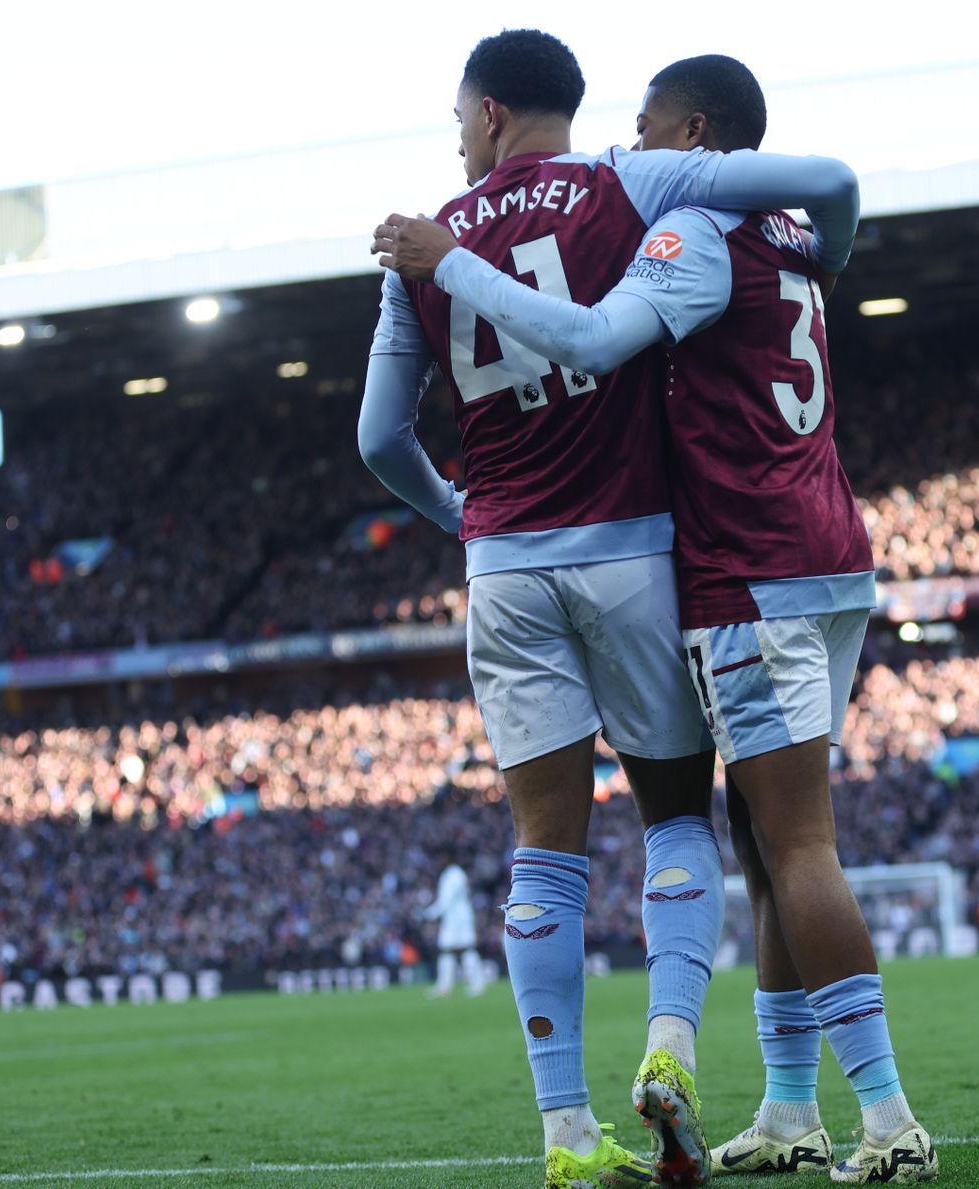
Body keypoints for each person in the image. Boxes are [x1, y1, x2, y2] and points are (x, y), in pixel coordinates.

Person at [377, 55, 938, 1185]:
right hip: (808, 555)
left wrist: (453, 267)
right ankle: (783, 1106)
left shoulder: (679, 231)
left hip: (723, 568)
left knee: (778, 843)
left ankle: (882, 1120)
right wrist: (835, 243)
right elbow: (830, 182)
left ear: (694, 139)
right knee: (741, 836)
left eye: (648, 132)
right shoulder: (784, 240)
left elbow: (533, 367)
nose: (631, 148)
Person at [424, 858, 487, 998]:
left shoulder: (452, 875)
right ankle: (448, 986)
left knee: (462, 949)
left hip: (458, 919)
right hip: (457, 918)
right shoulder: (455, 874)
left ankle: (474, 984)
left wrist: (429, 914)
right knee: (453, 951)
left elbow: (446, 900)